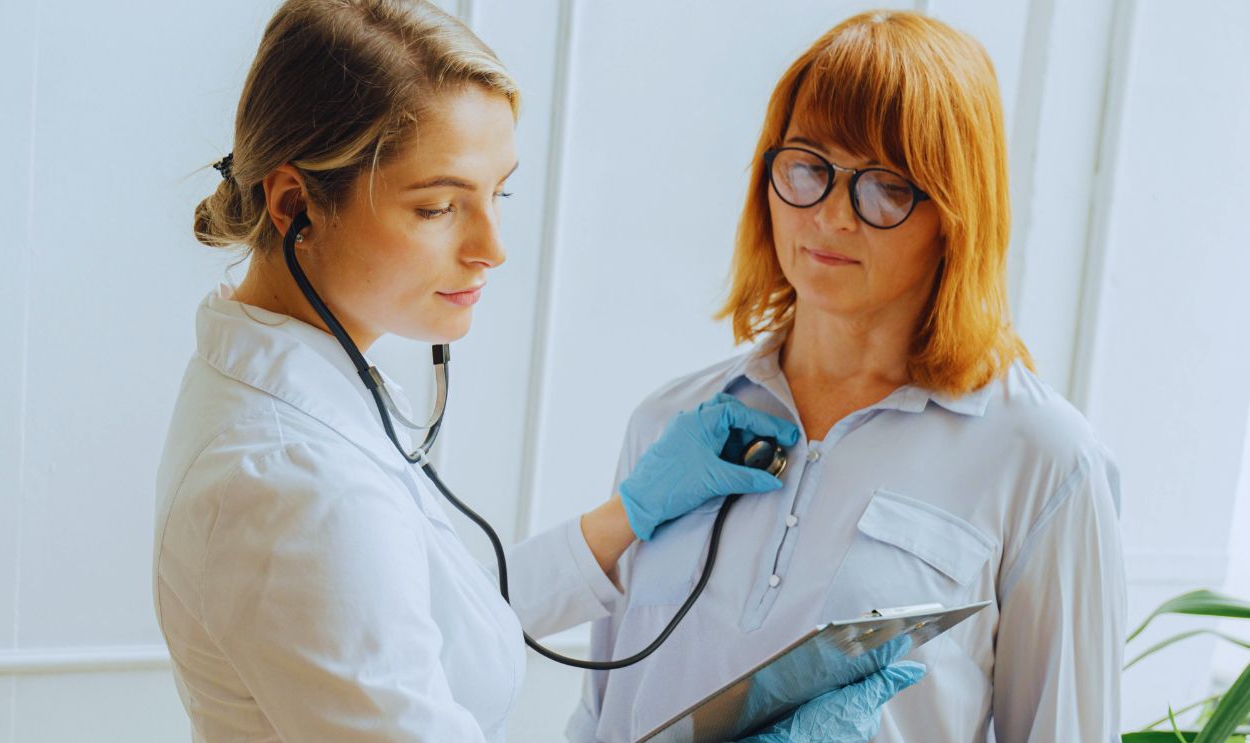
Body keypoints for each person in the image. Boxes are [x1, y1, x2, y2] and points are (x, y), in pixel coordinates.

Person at [152, 1, 920, 740]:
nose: (493, 245)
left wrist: (627, 516)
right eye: (437, 207)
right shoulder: (294, 483)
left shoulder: (296, 390)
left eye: (499, 193)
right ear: (295, 206)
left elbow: (418, 618)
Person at [569, 10, 1126, 743]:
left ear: (955, 217)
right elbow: (599, 718)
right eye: (807, 167)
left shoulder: (1045, 460)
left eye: (886, 186)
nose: (831, 215)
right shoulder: (671, 424)